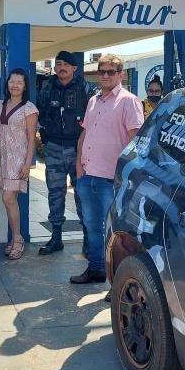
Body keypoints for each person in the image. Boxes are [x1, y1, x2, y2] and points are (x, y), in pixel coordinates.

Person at [71, 53, 144, 284]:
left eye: (110, 71)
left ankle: (118, 284)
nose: (105, 75)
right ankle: (96, 269)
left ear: (121, 74)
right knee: (92, 227)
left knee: (116, 234)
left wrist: (124, 176)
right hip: (88, 175)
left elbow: (136, 142)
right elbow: (85, 133)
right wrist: (78, 165)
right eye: (101, 71)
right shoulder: (94, 101)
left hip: (112, 180)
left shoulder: (128, 101)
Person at [36, 51, 96, 257]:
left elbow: (95, 115)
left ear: (74, 68)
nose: (61, 68)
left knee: (82, 194)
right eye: (58, 64)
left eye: (66, 65)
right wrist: (44, 133)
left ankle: (88, 238)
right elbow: (40, 112)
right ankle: (56, 238)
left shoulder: (86, 88)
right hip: (53, 148)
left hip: (79, 150)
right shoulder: (47, 88)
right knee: (54, 193)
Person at [0, 69, 39, 260]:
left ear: (25, 86)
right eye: (12, 81)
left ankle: (18, 239)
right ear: (7, 83)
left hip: (18, 160)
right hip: (1, 157)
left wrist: (28, 163)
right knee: (9, 199)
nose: (15, 85)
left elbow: (32, 139)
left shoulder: (29, 108)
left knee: (8, 198)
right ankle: (14, 239)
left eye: (19, 82)